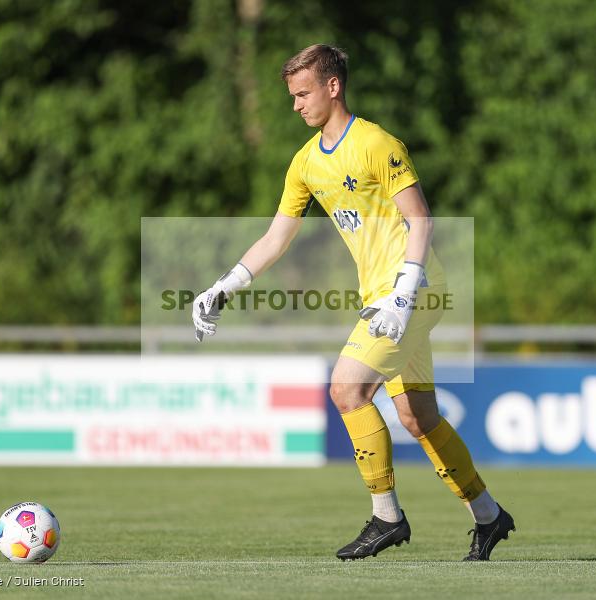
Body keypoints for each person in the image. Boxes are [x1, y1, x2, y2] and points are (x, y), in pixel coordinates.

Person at [191, 44, 515, 561]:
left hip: (414, 291)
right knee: (418, 417)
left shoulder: (376, 143)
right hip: (385, 299)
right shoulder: (304, 163)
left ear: (333, 86)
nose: (295, 105)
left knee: (347, 388)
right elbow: (276, 238)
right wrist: (223, 286)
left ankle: (387, 518)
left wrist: (405, 295)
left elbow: (421, 220)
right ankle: (489, 515)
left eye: (303, 94)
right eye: (292, 96)